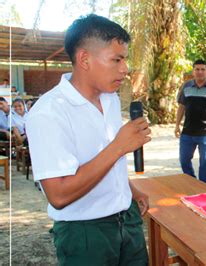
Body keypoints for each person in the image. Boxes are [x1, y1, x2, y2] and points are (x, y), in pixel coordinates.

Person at [25, 14, 150, 265]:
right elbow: (58, 195)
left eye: (124, 59)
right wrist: (119, 146)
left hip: (128, 220)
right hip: (85, 233)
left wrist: (128, 189)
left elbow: (99, 158)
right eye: (116, 60)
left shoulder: (110, 99)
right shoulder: (49, 112)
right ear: (84, 59)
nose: (125, 69)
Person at [174, 59, 206, 185]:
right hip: (187, 133)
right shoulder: (186, 86)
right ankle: (192, 183)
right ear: (193, 71)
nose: (200, 72)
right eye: (197, 69)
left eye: (203, 69)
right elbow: (181, 106)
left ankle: (204, 189)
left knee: (205, 163)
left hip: (205, 134)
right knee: (184, 160)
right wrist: (177, 125)